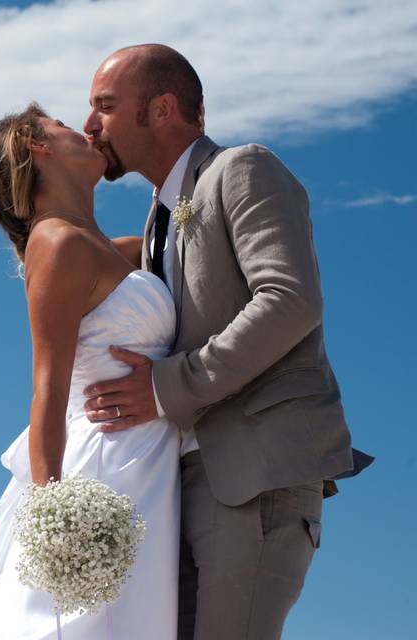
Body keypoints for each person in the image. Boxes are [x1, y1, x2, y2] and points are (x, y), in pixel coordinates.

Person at [79, 44, 371, 640]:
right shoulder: (156, 220)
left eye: (105, 106)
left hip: (251, 476)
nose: (90, 126)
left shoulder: (243, 169)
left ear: (162, 109)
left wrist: (164, 387)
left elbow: (289, 301)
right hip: (172, 485)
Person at [0, 104, 180, 639]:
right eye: (66, 126)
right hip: (104, 470)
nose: (87, 128)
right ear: (36, 146)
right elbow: (47, 386)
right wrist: (57, 517)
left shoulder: (121, 251)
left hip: (149, 463)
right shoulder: (56, 242)